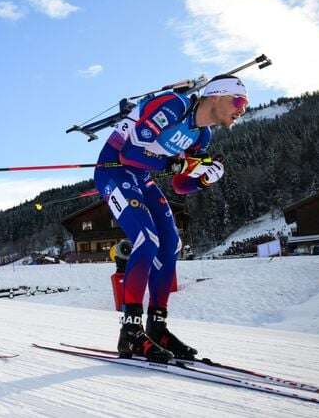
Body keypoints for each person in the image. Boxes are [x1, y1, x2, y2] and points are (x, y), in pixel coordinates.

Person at [94, 75, 248, 362]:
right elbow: (129, 154)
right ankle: (131, 332)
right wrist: (174, 163)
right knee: (146, 240)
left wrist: (203, 180)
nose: (242, 110)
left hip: (141, 176)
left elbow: (179, 185)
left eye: (246, 105)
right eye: (239, 101)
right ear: (215, 96)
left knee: (171, 244)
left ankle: (158, 327)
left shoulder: (202, 135)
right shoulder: (173, 105)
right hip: (113, 169)